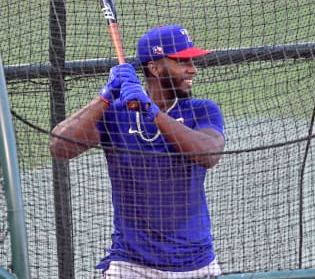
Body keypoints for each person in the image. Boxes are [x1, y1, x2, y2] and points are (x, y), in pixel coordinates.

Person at [50, 24, 226, 278]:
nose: (192, 69)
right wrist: (105, 98)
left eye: (192, 61)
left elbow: (208, 154)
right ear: (154, 68)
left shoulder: (202, 110)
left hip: (196, 264)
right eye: (182, 61)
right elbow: (59, 147)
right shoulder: (115, 113)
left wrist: (151, 112)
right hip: (131, 266)